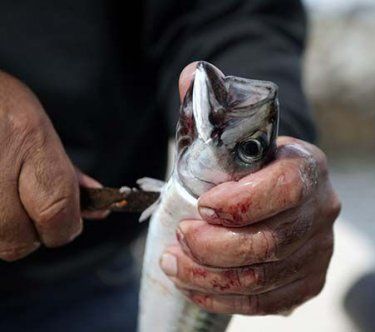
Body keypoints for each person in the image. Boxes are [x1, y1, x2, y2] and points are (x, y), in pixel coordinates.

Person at [0, 1, 341, 331]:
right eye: (248, 148)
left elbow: (232, 15)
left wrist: (280, 171)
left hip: (81, 281)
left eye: (247, 148)